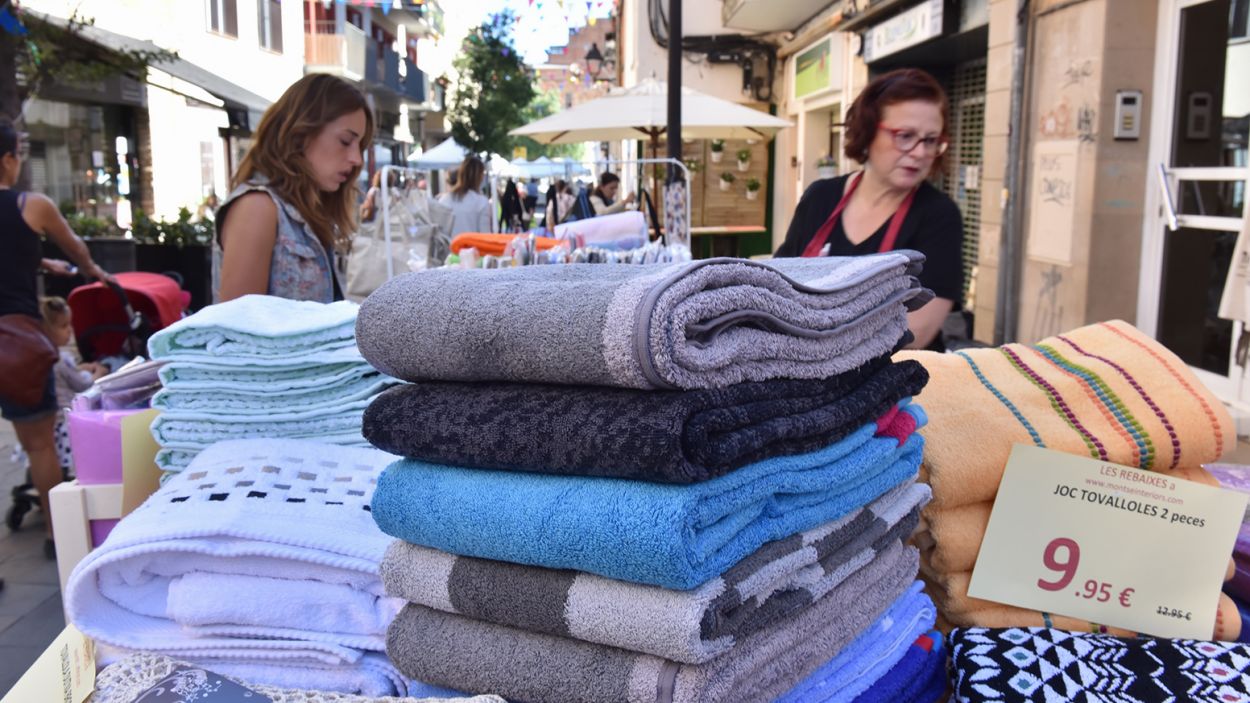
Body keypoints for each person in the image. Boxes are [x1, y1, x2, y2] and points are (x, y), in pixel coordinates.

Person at [774, 68, 964, 352]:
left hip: (897, 384)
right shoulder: (820, 198)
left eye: (930, 140)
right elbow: (776, 287)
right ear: (868, 130)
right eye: (905, 135)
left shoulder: (938, 215)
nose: (920, 152)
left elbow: (916, 333)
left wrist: (805, 330)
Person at [0, 117, 113, 554]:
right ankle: (55, 536)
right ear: (10, 159)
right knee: (40, 446)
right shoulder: (32, 206)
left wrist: (40, 265)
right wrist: (91, 272)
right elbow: (77, 250)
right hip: (17, 340)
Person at [216, 73, 374, 303]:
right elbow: (237, 329)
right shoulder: (257, 207)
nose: (356, 159)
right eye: (345, 141)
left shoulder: (308, 213)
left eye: (360, 146)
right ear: (301, 134)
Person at [39, 296, 107, 472]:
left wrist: (81, 367)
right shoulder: (59, 359)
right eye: (63, 326)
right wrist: (99, 372)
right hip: (64, 420)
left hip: (49, 422)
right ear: (46, 330)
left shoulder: (45, 357)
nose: (70, 331)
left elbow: (67, 374)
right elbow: (82, 385)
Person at [437, 155, 492, 236]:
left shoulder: (444, 200)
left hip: (449, 247)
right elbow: (485, 235)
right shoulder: (481, 202)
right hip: (473, 247)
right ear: (479, 177)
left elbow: (440, 232)